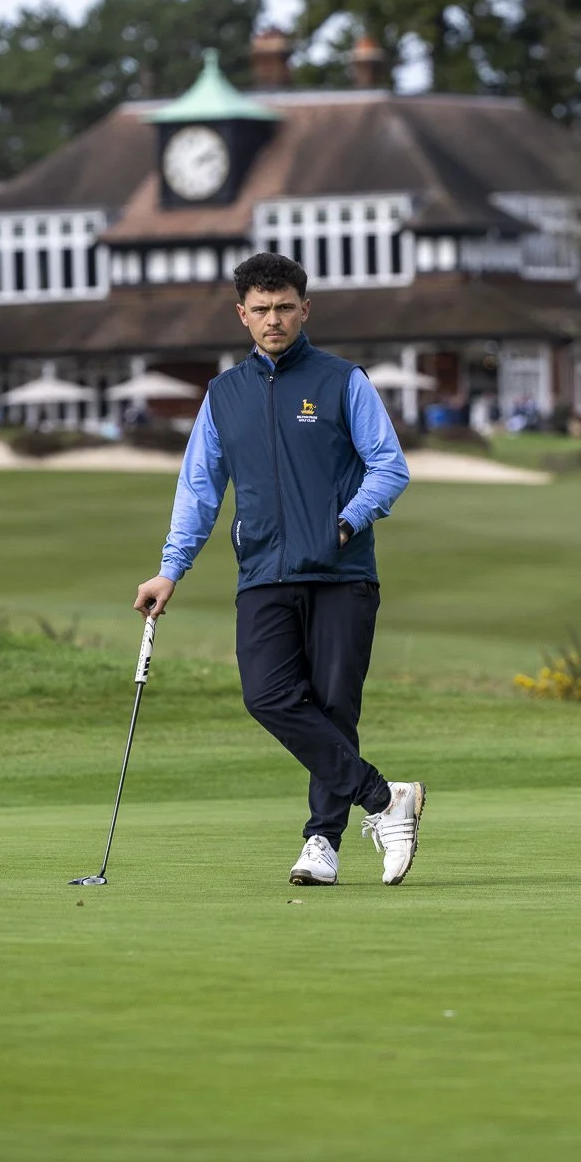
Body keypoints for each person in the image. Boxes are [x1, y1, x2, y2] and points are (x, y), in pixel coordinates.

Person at [132, 252, 422, 888]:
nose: (273, 319)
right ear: (242, 315)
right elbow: (198, 490)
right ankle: (384, 798)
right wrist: (169, 570)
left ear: (304, 308)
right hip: (263, 573)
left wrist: (343, 523)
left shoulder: (344, 380)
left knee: (334, 709)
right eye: (260, 310)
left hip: (343, 573)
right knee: (266, 696)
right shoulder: (223, 396)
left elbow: (389, 466)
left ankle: (322, 843)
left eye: (285, 307)